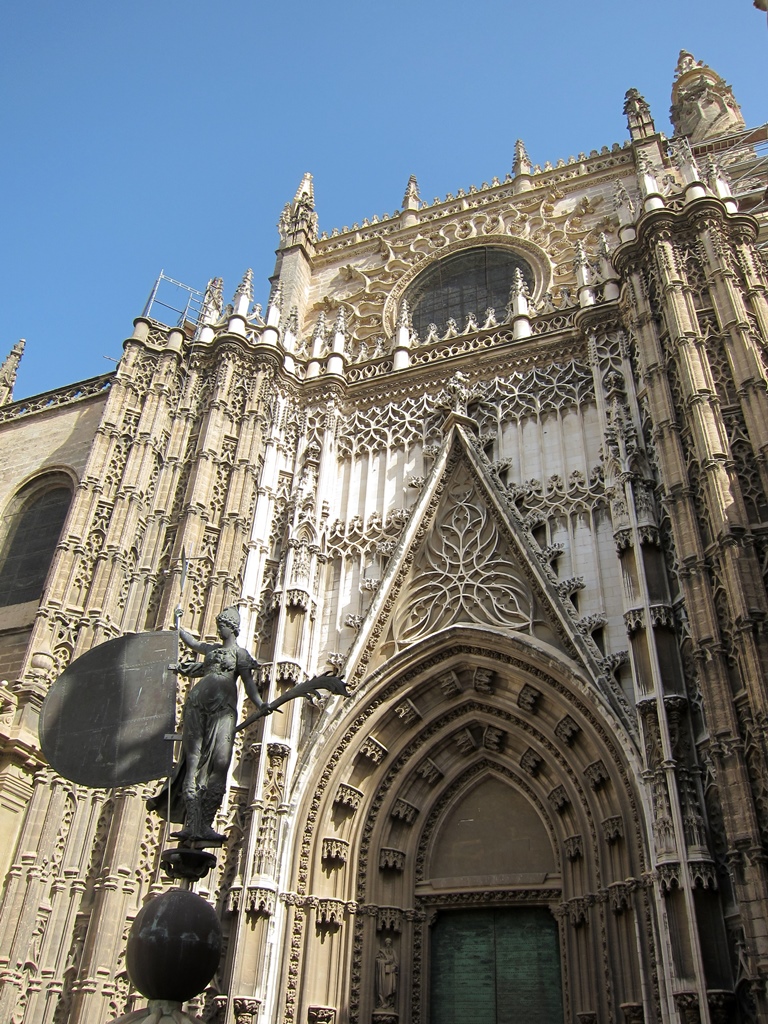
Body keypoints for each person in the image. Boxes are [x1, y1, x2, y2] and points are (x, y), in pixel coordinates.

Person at [147, 605, 266, 844]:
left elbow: (249, 683)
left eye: (222, 624)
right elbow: (193, 643)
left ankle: (205, 823)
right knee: (192, 762)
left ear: (231, 627)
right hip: (198, 705)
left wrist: (261, 704)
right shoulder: (211, 650)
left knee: (220, 763)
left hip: (223, 710)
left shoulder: (240, 655)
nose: (218, 629)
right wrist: (179, 626)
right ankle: (192, 822)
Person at [375, 937, 398, 1009]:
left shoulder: (393, 952)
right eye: (387, 943)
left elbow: (396, 962)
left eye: (389, 943)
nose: (388, 944)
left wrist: (394, 966)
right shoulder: (381, 951)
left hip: (391, 973)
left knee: (390, 988)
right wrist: (385, 962)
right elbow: (377, 960)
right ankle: (382, 1002)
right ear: (385, 943)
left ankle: (389, 1002)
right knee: (382, 987)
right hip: (382, 973)